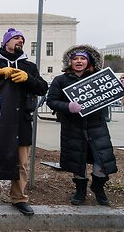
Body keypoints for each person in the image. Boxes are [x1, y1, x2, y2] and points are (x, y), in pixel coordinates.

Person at [0, 28, 48, 216]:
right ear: (5, 43)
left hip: (21, 121)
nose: (20, 41)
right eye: (16, 38)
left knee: (21, 162)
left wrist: (28, 79)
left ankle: (19, 197)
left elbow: (42, 87)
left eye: (22, 39)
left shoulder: (29, 66)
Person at [46, 45, 117, 206]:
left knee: (101, 159)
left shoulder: (99, 77)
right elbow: (52, 101)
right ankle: (80, 190)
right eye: (75, 58)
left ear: (89, 61)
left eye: (83, 58)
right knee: (77, 160)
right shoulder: (60, 80)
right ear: (69, 61)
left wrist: (119, 88)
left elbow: (110, 93)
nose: (79, 61)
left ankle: (98, 187)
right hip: (73, 127)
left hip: (96, 127)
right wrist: (68, 107)